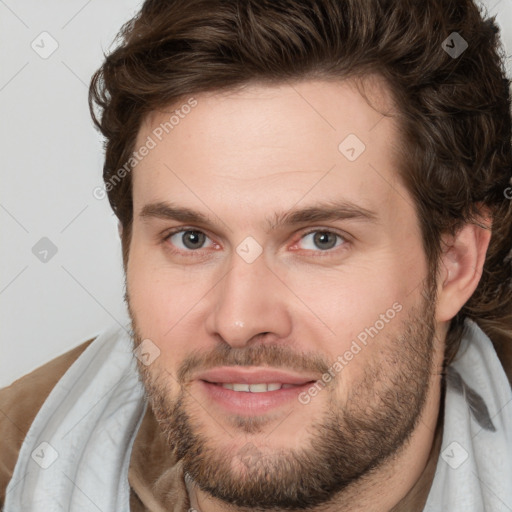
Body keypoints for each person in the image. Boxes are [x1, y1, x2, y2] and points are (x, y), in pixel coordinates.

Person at [1, 0, 512, 510]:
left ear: (455, 264)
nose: (239, 321)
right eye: (191, 239)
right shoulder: (16, 465)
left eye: (320, 239)